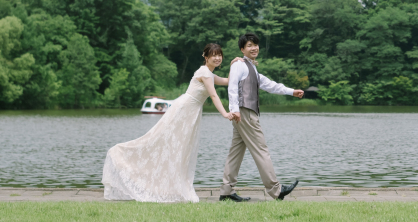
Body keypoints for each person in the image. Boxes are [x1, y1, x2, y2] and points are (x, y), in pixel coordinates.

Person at [101, 43, 236, 203]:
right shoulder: (205, 73)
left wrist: (236, 64)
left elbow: (228, 81)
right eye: (213, 55)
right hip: (183, 111)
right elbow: (213, 96)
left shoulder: (209, 74)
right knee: (163, 143)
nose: (217, 58)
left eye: (219, 55)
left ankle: (173, 187)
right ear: (205, 57)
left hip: (191, 114)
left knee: (181, 150)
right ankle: (121, 156)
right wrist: (225, 114)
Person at [219, 33, 305, 202]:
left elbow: (269, 85)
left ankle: (227, 191)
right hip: (245, 113)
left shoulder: (252, 68)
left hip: (243, 114)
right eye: (250, 45)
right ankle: (276, 189)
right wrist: (234, 109)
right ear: (242, 49)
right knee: (261, 150)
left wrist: (291, 91)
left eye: (256, 45)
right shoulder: (239, 65)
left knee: (235, 152)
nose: (254, 48)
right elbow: (232, 87)